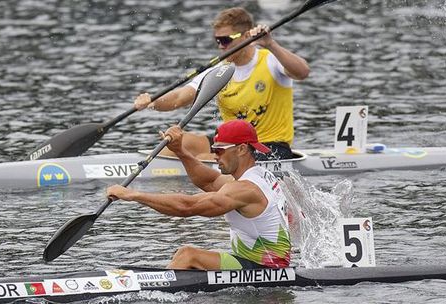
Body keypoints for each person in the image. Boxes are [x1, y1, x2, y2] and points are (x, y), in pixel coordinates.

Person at [106, 120, 291, 270]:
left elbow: (187, 207)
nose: (215, 156)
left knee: (188, 255)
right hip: (257, 262)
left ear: (242, 149)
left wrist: (133, 195)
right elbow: (207, 181)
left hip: (266, 269)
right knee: (185, 254)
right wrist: (179, 150)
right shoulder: (257, 176)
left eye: (219, 150)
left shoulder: (245, 190)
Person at [134, 7, 310, 160]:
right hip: (229, 146)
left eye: (226, 40)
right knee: (177, 143)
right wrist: (152, 102)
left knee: (203, 157)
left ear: (246, 36)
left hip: (269, 147)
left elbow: (302, 72)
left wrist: (270, 44)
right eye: (217, 41)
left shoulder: (271, 60)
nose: (221, 47)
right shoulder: (218, 71)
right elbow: (179, 98)